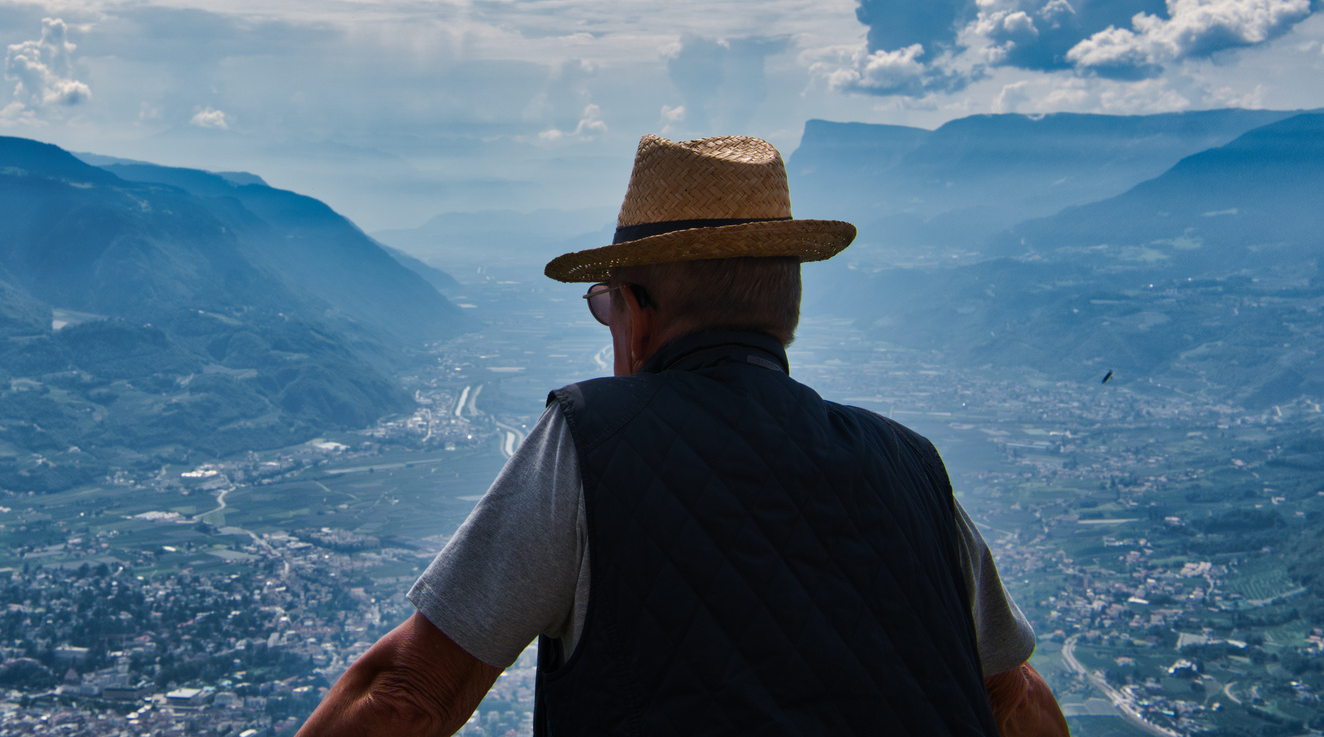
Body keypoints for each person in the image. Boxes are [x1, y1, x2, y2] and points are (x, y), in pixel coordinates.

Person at [299, 135, 1068, 736]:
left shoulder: (589, 444)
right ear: (786, 312)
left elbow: (407, 698)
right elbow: (1014, 701)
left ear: (640, 310)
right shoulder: (914, 468)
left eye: (606, 307)